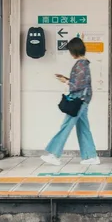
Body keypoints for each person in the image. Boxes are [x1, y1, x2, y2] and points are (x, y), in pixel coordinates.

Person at [41, 37, 100, 166]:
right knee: (83, 128)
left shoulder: (80, 64)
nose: (70, 53)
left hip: (78, 101)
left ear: (74, 50)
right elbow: (81, 82)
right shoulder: (85, 63)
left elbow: (77, 85)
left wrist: (66, 81)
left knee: (66, 127)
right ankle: (91, 156)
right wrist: (67, 78)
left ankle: (54, 154)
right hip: (83, 100)